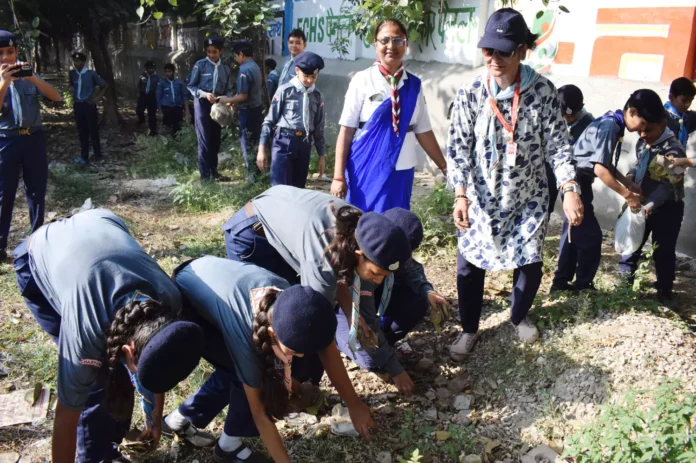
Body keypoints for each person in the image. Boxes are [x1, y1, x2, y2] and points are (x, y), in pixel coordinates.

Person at [12, 208, 204, 463]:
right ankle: (95, 457)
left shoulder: (168, 300)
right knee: (97, 382)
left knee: (114, 377)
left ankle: (107, 444)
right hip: (35, 257)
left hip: (98, 223)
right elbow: (66, 418)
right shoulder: (85, 332)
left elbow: (158, 360)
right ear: (128, 350)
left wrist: (154, 419)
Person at [446, 8, 583, 360]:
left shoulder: (543, 92)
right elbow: (458, 147)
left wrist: (569, 188)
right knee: (469, 266)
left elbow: (558, 146)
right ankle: (470, 329)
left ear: (524, 50)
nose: (494, 59)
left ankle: (519, 315)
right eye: (488, 50)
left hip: (528, 198)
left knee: (530, 261)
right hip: (480, 196)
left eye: (504, 51)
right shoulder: (472, 92)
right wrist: (460, 193)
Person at [165, 257, 378, 462]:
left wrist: (354, 404)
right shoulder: (246, 338)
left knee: (255, 371)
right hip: (188, 301)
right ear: (272, 333)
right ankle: (228, 447)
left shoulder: (301, 307)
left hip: (213, 283)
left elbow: (327, 350)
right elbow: (260, 414)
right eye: (294, 351)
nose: (300, 356)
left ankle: (178, 419)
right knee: (247, 376)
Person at [221, 186, 410, 415]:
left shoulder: (362, 230)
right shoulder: (321, 259)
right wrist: (354, 405)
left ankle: (299, 385)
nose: (378, 282)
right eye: (376, 273)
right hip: (251, 236)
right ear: (360, 254)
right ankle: (276, 396)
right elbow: (322, 336)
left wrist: (352, 313)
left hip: (282, 219)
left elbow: (340, 271)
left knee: (300, 314)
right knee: (288, 323)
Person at [331, 18, 447, 213]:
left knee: (395, 224)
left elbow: (423, 130)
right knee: (362, 224)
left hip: (402, 169)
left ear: (406, 44)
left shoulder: (414, 85)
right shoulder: (362, 80)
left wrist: (444, 166)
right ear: (375, 44)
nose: (391, 46)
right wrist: (338, 177)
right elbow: (347, 130)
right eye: (384, 40)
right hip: (365, 167)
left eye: (398, 40)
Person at [335, 208, 450, 396]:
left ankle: (383, 345)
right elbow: (366, 319)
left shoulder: (392, 252)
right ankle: (341, 340)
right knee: (370, 358)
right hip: (347, 308)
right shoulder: (370, 258)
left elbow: (412, 269)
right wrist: (396, 370)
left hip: (373, 299)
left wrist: (428, 292)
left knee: (418, 300)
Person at [551, 90, 655, 293]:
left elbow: (603, 162)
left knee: (573, 233)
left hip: (579, 182)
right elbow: (600, 169)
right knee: (591, 237)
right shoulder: (610, 127)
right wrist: (628, 195)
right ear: (632, 112)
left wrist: (628, 183)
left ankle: (560, 283)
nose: (642, 132)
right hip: (576, 182)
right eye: (642, 124)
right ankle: (582, 285)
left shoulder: (612, 122)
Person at [619, 92, 687, 304]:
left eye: (648, 130)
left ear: (663, 124)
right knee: (632, 245)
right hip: (641, 204)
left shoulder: (672, 150)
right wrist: (630, 175)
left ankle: (664, 292)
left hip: (667, 209)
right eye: (641, 130)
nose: (643, 134)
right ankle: (624, 287)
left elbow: (667, 187)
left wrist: (647, 207)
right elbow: (639, 162)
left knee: (663, 252)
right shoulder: (644, 141)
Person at [0, 31, 61, 263]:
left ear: (16, 52)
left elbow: (55, 97)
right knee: (4, 192)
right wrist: (4, 82)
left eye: (10, 52)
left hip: (34, 137)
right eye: (0, 54)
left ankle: (36, 241)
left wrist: (33, 78)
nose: (6, 58)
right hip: (6, 139)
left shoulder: (29, 74)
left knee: (36, 190)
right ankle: (0, 246)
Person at [257, 51, 326, 188]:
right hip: (284, 142)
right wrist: (261, 149)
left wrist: (321, 156)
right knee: (280, 189)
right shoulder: (285, 91)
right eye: (306, 76)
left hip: (304, 145)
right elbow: (269, 121)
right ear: (297, 71)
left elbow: (318, 128)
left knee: (297, 190)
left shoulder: (316, 95)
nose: (309, 80)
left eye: (313, 76)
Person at [188, 36, 232, 181]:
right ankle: (205, 175)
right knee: (204, 139)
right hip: (202, 103)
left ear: (220, 52)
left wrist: (228, 101)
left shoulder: (225, 69)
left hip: (218, 105)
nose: (212, 55)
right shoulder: (200, 65)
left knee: (215, 138)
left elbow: (228, 89)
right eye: (209, 52)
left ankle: (214, 172)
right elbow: (191, 85)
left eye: (214, 52)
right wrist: (204, 94)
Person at [219, 40, 263, 183]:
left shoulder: (244, 70)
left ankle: (252, 178)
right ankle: (258, 175)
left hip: (248, 112)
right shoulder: (256, 66)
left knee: (248, 145)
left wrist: (228, 100)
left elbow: (243, 95)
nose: (236, 59)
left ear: (242, 54)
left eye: (236, 56)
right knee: (255, 143)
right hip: (256, 110)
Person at [69, 51, 107, 164]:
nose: (76, 63)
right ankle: (84, 156)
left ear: (83, 62)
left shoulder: (91, 74)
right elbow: (71, 84)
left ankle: (97, 154)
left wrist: (98, 97)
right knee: (82, 131)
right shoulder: (72, 74)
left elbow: (104, 85)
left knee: (93, 130)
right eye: (74, 61)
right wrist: (72, 93)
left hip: (89, 104)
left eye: (78, 61)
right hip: (78, 105)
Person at [157, 63, 189, 135]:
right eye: (166, 72)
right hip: (166, 108)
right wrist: (160, 112)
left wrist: (187, 111)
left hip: (177, 108)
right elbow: (158, 98)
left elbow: (185, 96)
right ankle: (167, 144)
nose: (167, 73)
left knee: (178, 129)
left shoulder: (179, 83)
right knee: (167, 129)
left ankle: (177, 144)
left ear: (174, 72)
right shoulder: (161, 83)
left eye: (169, 71)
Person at [664, 77, 695, 148]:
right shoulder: (662, 118)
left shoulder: (686, 117)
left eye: (690, 100)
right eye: (684, 100)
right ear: (671, 97)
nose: (688, 104)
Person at [137, 60, 159, 136]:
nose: (150, 69)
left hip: (152, 96)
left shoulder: (157, 78)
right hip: (143, 95)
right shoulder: (142, 75)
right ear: (146, 68)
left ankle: (153, 131)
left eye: (152, 68)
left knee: (151, 114)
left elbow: (158, 89)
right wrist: (139, 92)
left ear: (154, 69)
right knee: (139, 109)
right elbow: (139, 84)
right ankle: (141, 120)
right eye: (148, 68)